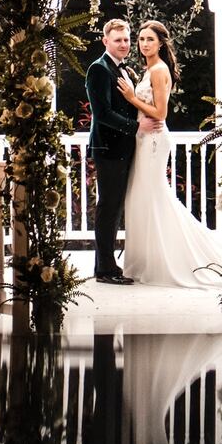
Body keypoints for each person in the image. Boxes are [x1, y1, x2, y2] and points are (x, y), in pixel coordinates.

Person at [116, 20, 222, 288]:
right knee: (142, 198)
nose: (144, 44)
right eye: (141, 39)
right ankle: (145, 259)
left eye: (149, 40)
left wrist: (131, 97)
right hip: (144, 138)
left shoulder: (158, 69)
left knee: (153, 196)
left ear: (161, 43)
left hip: (153, 139)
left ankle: (171, 259)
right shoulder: (149, 69)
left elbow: (161, 113)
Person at [85, 18, 162, 284]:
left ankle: (106, 265)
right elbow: (102, 113)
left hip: (123, 147)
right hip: (108, 147)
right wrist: (136, 126)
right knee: (108, 207)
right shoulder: (98, 69)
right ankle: (105, 269)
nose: (124, 44)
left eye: (127, 39)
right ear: (106, 41)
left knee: (115, 206)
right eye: (118, 40)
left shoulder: (122, 68)